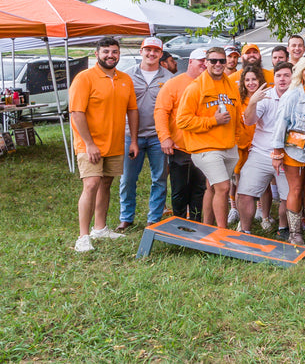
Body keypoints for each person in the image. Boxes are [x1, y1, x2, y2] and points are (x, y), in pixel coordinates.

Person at [70, 37, 139, 252]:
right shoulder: (85, 78)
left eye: (115, 52)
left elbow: (132, 110)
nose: (111, 55)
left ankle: (99, 228)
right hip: (89, 145)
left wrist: (134, 140)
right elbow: (76, 112)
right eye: (106, 51)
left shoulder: (125, 79)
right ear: (96, 53)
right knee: (90, 185)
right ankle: (83, 236)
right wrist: (89, 144)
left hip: (115, 144)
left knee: (106, 184)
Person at [176, 47, 246, 229]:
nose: (218, 64)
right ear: (205, 62)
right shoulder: (195, 88)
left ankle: (206, 227)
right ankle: (222, 233)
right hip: (205, 148)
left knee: (212, 188)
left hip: (228, 147)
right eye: (213, 61)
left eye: (222, 61)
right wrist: (212, 121)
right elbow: (182, 121)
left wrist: (235, 139)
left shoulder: (230, 85)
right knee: (223, 188)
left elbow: (237, 115)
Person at [117, 36, 174, 232]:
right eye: (147, 50)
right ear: (141, 51)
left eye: (156, 51)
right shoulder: (126, 76)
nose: (151, 54)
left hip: (159, 136)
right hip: (130, 135)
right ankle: (126, 217)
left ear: (161, 54)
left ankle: (154, 217)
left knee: (159, 178)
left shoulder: (168, 78)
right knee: (127, 178)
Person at [270, 56, 305, 245]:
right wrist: (277, 152)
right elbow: (280, 124)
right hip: (295, 149)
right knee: (295, 189)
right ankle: (295, 233)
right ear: (301, 72)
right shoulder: (292, 94)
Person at [238, 62, 293, 237]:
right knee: (245, 192)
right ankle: (245, 229)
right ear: (274, 78)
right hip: (261, 152)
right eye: (278, 75)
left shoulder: (298, 97)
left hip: (288, 155)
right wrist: (252, 102)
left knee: (288, 196)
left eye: (286, 75)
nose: (282, 79)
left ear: (293, 77)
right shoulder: (265, 96)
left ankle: (283, 228)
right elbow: (248, 121)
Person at [155, 49, 208, 222]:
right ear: (190, 62)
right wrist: (165, 137)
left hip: (204, 146)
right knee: (180, 189)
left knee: (200, 188)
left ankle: (196, 223)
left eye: (207, 60)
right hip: (180, 146)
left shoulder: (210, 83)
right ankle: (178, 224)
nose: (204, 64)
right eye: (201, 60)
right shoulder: (173, 83)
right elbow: (161, 112)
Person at [229, 66, 262, 225]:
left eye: (254, 79)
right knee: (238, 180)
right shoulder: (237, 99)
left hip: (258, 146)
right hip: (241, 145)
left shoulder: (264, 98)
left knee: (262, 181)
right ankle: (235, 208)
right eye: (247, 80)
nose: (251, 83)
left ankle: (261, 210)